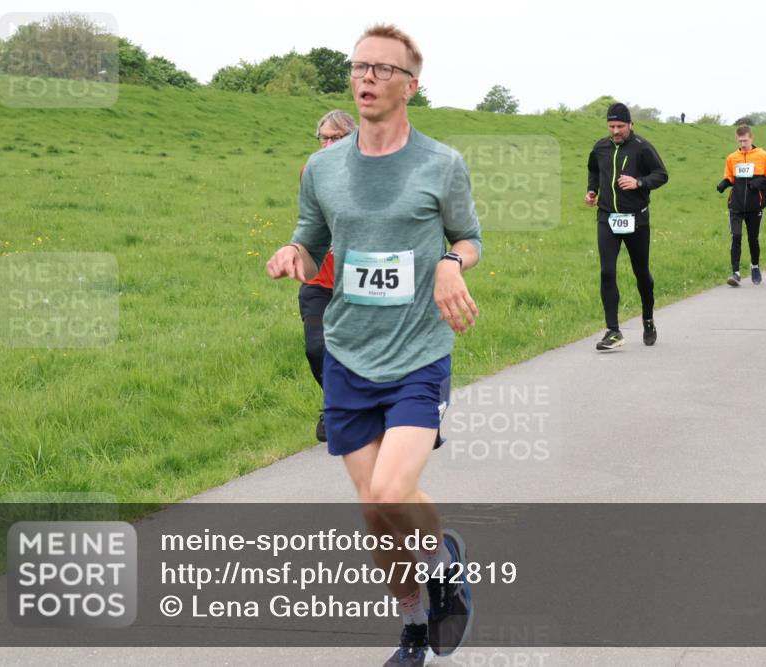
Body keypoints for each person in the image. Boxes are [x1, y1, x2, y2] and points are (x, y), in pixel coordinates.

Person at [266, 24, 480, 666]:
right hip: (348, 354)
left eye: (383, 69)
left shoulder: (440, 163)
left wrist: (450, 262)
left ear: (410, 85)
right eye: (360, 66)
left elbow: (468, 237)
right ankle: (414, 626)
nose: (367, 77)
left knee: (391, 492)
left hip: (417, 352)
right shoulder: (324, 166)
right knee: (376, 513)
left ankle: (444, 563)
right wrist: (294, 252)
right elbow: (313, 235)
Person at [585, 102, 669, 350]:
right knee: (607, 272)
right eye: (611, 126)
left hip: (636, 219)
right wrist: (592, 190)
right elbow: (593, 169)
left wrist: (639, 182)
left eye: (620, 126)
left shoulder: (642, 148)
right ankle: (613, 331)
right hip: (607, 218)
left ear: (630, 124)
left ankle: (648, 319)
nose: (616, 131)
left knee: (641, 273)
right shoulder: (600, 147)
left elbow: (661, 175)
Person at [299, 110, 356, 442]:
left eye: (338, 138)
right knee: (316, 349)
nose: (330, 143)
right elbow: (309, 224)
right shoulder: (311, 172)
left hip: (362, 285)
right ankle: (336, 403)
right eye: (325, 137)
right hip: (320, 282)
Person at [716, 126, 766, 286]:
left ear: (752, 138)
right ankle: (735, 273)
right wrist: (724, 183)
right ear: (737, 139)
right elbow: (730, 177)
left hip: (755, 205)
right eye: (740, 140)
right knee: (736, 236)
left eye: (746, 140)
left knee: (753, 238)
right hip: (735, 204)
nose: (743, 143)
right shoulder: (732, 157)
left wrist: (757, 183)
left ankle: (755, 266)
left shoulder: (762, 155)